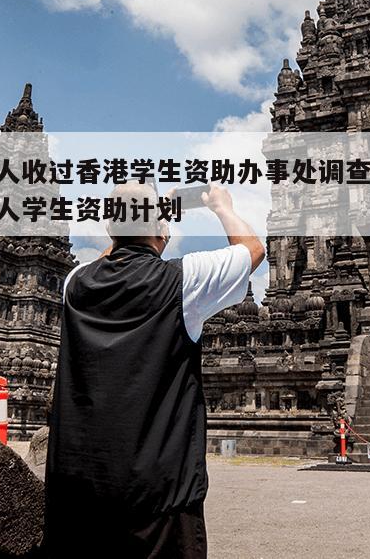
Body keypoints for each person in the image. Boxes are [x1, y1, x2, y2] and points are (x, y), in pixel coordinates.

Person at [44, 182, 265, 558]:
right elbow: (252, 250)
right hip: (158, 498)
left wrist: (135, 218)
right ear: (163, 230)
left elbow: (107, 255)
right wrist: (221, 206)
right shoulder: (183, 281)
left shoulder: (74, 284)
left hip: (77, 496)